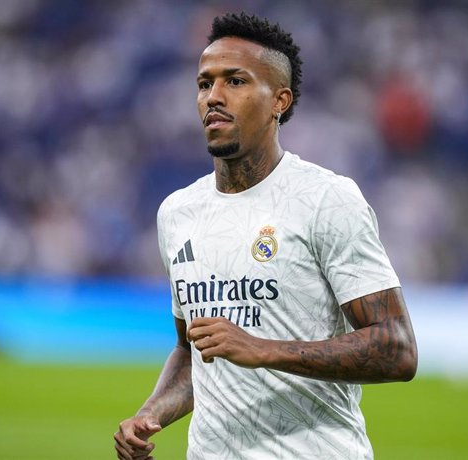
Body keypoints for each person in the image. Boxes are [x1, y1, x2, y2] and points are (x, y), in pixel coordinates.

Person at [114, 12, 417, 460]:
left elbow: (396, 348)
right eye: (204, 83)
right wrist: (151, 413)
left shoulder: (325, 199)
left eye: (234, 81)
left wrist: (264, 349)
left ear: (280, 100)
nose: (213, 96)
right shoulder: (178, 213)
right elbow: (192, 350)